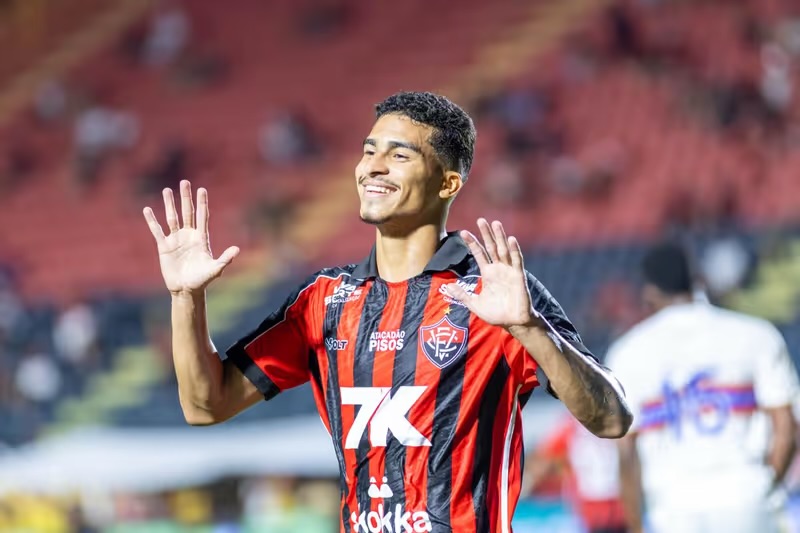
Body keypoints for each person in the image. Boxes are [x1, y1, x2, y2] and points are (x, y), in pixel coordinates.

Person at [142, 91, 631, 533]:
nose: (373, 167)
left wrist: (529, 328)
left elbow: (612, 420)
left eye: (399, 155)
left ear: (448, 183)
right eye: (369, 150)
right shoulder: (323, 300)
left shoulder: (495, 294)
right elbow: (206, 405)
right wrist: (186, 298)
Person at [606, 243, 799, 533]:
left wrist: (636, 526)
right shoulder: (755, 334)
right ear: (698, 280)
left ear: (649, 292)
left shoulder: (626, 352)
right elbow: (786, 426)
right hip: (745, 494)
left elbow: (626, 455)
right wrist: (766, 487)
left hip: (673, 506)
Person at [526, 414, 628, 533]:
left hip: (615, 502)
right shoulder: (571, 425)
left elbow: (544, 459)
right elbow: (545, 458)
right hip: (595, 504)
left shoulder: (573, 425)